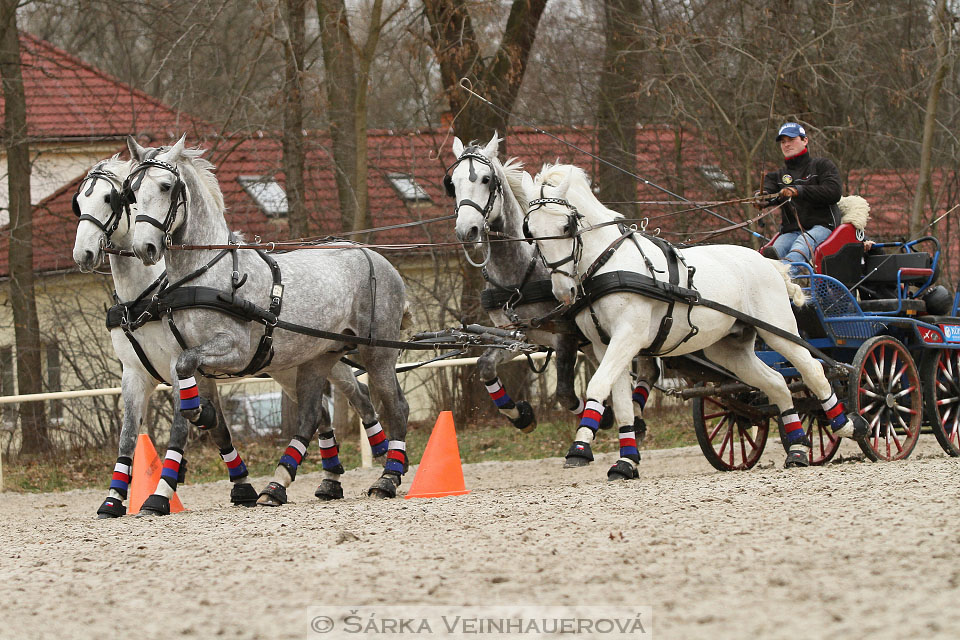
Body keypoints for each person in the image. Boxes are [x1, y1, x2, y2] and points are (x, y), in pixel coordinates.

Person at [757, 122, 842, 266]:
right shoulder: (777, 176)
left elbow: (834, 192)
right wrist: (760, 198)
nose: (786, 145)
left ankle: (786, 277)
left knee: (800, 245)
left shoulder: (822, 165)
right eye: (783, 142)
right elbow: (768, 192)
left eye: (791, 140)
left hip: (822, 227)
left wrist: (798, 190)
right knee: (770, 256)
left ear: (805, 140)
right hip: (790, 232)